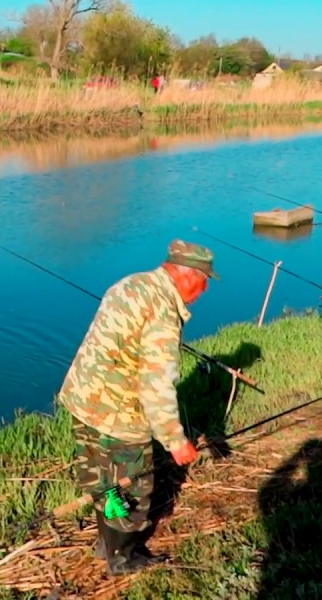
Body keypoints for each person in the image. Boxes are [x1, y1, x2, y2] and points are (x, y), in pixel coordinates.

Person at [56, 239, 217, 576]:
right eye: (205, 282)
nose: (204, 291)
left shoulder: (131, 283)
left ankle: (106, 545)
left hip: (82, 400)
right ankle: (123, 558)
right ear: (189, 275)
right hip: (119, 415)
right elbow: (156, 385)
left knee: (103, 481)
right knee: (134, 490)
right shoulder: (163, 313)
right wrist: (175, 440)